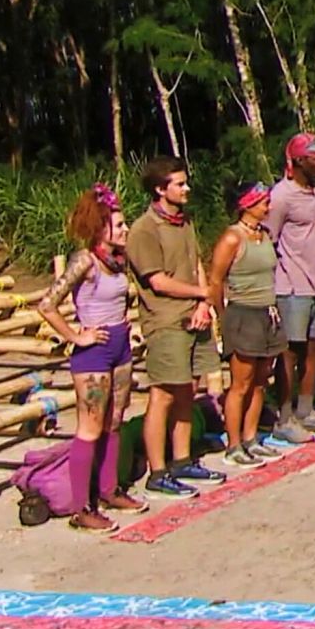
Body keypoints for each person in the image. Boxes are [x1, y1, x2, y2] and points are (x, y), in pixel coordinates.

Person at [35, 183, 150, 533]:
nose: (126, 228)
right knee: (89, 427)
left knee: (114, 419)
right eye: (119, 224)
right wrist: (76, 336)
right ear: (101, 229)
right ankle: (81, 507)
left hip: (120, 344)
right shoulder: (85, 261)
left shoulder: (118, 260)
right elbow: (47, 304)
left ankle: (109, 489)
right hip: (94, 352)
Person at [125, 157, 228, 497]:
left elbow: (195, 262)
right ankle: (157, 470)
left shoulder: (184, 222)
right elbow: (157, 281)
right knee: (164, 394)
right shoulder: (144, 230)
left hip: (193, 316)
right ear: (159, 189)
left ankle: (183, 459)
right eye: (179, 184)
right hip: (165, 320)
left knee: (189, 389)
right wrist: (203, 292)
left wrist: (203, 304)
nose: (187, 189)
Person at [207, 182, 291, 469]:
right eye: (263, 202)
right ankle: (234, 444)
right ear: (247, 205)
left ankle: (251, 437)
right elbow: (216, 280)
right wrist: (221, 316)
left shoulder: (265, 235)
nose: (268, 207)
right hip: (243, 313)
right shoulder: (233, 238)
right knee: (240, 384)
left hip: (268, 313)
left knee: (259, 382)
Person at [267, 132, 315, 440]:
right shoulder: (281, 196)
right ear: (297, 162)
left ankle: (306, 410)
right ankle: (284, 417)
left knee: (314, 347)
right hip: (292, 286)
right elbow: (269, 239)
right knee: (290, 352)